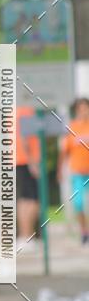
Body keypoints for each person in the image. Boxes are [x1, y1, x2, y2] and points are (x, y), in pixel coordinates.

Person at [58, 98, 89, 244]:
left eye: (86, 108)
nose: (84, 111)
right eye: (80, 109)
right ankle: (84, 231)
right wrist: (59, 170)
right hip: (77, 172)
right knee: (78, 203)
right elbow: (64, 151)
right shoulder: (72, 128)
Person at [15, 105, 40, 242]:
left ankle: (25, 236)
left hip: (19, 160)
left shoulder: (15, 110)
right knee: (32, 200)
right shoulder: (26, 110)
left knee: (24, 199)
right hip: (26, 161)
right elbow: (25, 137)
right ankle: (27, 236)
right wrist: (32, 162)